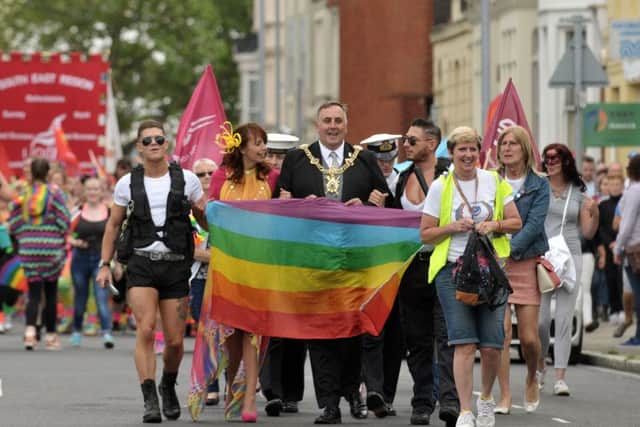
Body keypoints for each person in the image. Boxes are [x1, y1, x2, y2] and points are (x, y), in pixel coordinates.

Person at [276, 101, 391, 424]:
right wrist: (303, 205)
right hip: (312, 261)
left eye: (338, 120)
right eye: (326, 120)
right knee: (319, 333)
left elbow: (383, 203)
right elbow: (281, 207)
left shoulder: (365, 159)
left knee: (353, 330)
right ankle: (328, 404)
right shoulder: (298, 159)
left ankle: (353, 392)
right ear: (317, 124)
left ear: (346, 124)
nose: (332, 126)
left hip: (354, 260)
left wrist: (363, 208)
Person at [96, 120, 206, 423]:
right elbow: (113, 225)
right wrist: (105, 264)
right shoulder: (126, 183)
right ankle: (149, 398)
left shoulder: (187, 179)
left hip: (175, 265)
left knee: (174, 341)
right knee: (145, 328)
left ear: (166, 143)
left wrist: (204, 212)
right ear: (139, 147)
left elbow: (206, 220)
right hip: (142, 263)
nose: (154, 144)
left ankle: (168, 385)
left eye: (159, 139)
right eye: (147, 141)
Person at [421, 126, 522, 427]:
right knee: (464, 343)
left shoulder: (494, 180)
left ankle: (486, 398)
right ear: (451, 154)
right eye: (461, 149)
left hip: (491, 273)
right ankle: (466, 410)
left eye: (472, 149)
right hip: (452, 273)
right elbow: (425, 233)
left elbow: (516, 221)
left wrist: (494, 226)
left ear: (479, 152)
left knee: (492, 345)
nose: (467, 155)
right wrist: (452, 227)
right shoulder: (440, 187)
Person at [203, 122, 279, 422]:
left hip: (259, 264)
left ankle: (249, 399)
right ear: (242, 146)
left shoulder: (272, 177)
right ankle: (232, 391)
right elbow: (212, 220)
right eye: (258, 143)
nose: (263, 149)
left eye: (264, 142)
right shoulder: (223, 176)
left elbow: (280, 217)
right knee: (231, 334)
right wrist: (203, 210)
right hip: (228, 265)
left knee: (253, 332)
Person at [391, 119, 458, 426]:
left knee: (446, 336)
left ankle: (450, 400)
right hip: (410, 268)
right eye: (406, 140)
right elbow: (389, 221)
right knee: (416, 339)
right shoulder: (400, 177)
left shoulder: (453, 175)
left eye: (412, 140)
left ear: (431, 144)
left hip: (444, 264)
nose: (405, 145)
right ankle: (422, 402)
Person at [493, 126, 549, 415]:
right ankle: (504, 395)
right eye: (504, 143)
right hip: (495, 263)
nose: (508, 148)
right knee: (500, 333)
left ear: (525, 149)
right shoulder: (490, 180)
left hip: (525, 260)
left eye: (514, 143)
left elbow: (534, 225)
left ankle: (531, 375)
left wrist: (511, 251)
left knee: (528, 337)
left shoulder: (539, 185)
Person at [538, 143, 598, 396]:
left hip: (571, 257)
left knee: (564, 318)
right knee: (542, 320)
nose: (550, 162)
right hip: (545, 256)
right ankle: (540, 365)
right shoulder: (539, 188)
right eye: (547, 158)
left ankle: (560, 377)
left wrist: (593, 213)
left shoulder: (578, 191)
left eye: (555, 158)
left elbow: (587, 232)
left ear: (565, 162)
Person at [260, 133, 307, 418]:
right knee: (271, 330)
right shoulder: (258, 183)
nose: (276, 163)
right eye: (271, 156)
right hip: (266, 264)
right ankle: (271, 391)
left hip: (297, 263)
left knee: (295, 331)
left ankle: (292, 393)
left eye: (282, 157)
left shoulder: (301, 183)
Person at [8, 157, 71, 350]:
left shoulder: (23, 194)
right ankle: (50, 336)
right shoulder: (56, 194)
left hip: (29, 249)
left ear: (31, 172)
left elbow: (14, 223)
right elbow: (64, 222)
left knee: (33, 293)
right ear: (48, 173)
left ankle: (29, 334)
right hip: (51, 250)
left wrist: (27, 236)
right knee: (51, 294)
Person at [188, 157, 220, 406]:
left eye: (211, 172)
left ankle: (235, 380)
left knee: (230, 332)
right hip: (199, 278)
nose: (207, 177)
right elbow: (191, 249)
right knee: (207, 332)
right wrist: (218, 256)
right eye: (201, 174)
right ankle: (211, 383)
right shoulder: (187, 208)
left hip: (227, 278)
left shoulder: (226, 202)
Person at [68, 176, 114, 349]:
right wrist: (75, 242)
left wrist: (114, 261)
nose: (93, 192)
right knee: (80, 297)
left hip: (101, 260)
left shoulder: (109, 211)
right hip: (80, 258)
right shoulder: (77, 210)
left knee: (101, 297)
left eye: (96, 189)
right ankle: (77, 332)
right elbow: (64, 232)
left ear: (101, 191)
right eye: (89, 189)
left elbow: (116, 236)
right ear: (84, 192)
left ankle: (107, 332)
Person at [613, 154, 640, 346]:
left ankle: (639, 336)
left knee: (637, 293)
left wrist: (618, 247)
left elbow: (627, 222)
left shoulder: (634, 191)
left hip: (634, 249)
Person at [593, 174, 624, 333]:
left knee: (622, 280)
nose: (614, 187)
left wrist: (619, 242)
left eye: (618, 184)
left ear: (622, 185)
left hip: (623, 245)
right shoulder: (603, 205)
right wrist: (609, 244)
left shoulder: (625, 202)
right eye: (611, 184)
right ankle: (614, 309)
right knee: (610, 279)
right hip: (608, 247)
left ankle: (623, 309)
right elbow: (600, 228)